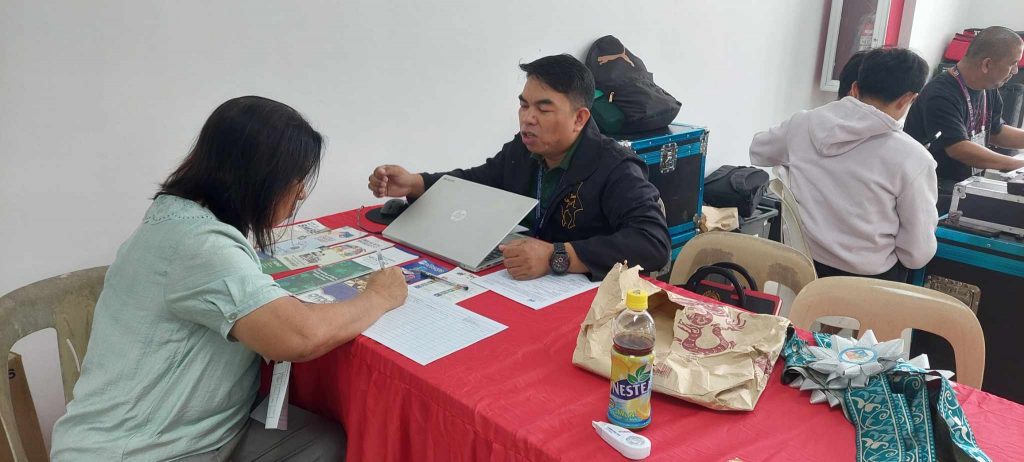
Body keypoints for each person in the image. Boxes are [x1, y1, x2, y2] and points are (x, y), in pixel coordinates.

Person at [50, 96, 408, 461]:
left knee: (324, 444)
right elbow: (299, 337)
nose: (301, 192)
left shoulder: (179, 213)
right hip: (143, 450)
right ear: (258, 176)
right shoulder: (199, 243)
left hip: (204, 431)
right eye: (296, 179)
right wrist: (378, 296)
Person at [366, 54, 670, 280]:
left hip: (588, 302)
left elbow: (653, 243)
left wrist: (558, 256)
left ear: (579, 118)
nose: (527, 118)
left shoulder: (615, 167)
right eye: (524, 105)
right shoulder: (522, 151)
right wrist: (415, 183)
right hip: (527, 289)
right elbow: (478, 182)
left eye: (543, 108)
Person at [749, 48, 937, 282]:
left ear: (855, 88)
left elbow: (758, 150)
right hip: (868, 283)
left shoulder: (803, 123)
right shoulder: (914, 157)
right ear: (908, 99)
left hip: (803, 269)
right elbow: (916, 254)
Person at [904, 26, 1024, 212]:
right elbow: (959, 148)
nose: (1015, 71)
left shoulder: (989, 89)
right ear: (987, 64)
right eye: (1013, 63)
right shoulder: (941, 94)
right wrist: (1017, 165)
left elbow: (996, 131)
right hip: (931, 190)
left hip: (963, 185)